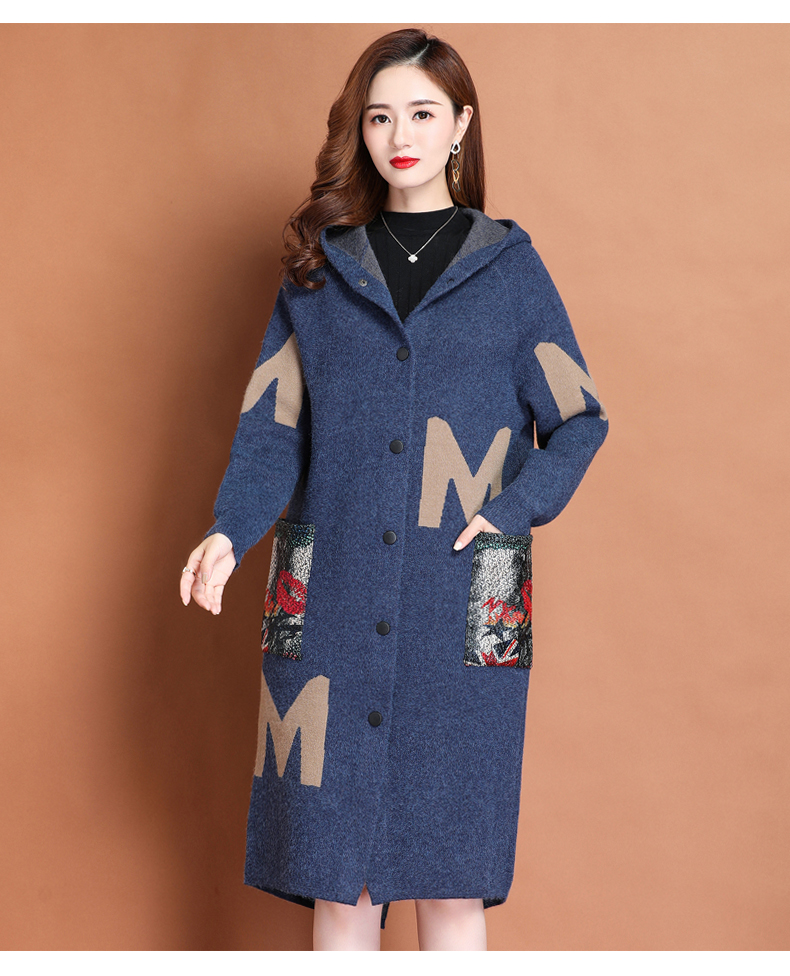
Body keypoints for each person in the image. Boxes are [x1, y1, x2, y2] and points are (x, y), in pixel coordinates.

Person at [180, 27, 608, 951]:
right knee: (343, 892)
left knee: (450, 888)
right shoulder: (319, 269)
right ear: (359, 131)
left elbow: (580, 418)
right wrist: (228, 531)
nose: (399, 135)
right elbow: (273, 427)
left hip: (459, 611)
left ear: (461, 125)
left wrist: (509, 512)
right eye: (379, 117)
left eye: (421, 113)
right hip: (331, 609)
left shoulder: (509, 269)